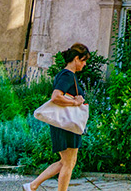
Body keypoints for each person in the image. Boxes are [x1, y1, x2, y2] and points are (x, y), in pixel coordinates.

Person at [25, 43, 89, 191]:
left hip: (67, 124)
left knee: (67, 162)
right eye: (84, 60)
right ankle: (35, 186)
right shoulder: (67, 75)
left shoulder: (67, 75)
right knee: (68, 163)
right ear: (76, 59)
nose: (85, 64)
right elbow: (56, 97)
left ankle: (32, 185)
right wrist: (75, 101)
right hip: (65, 124)